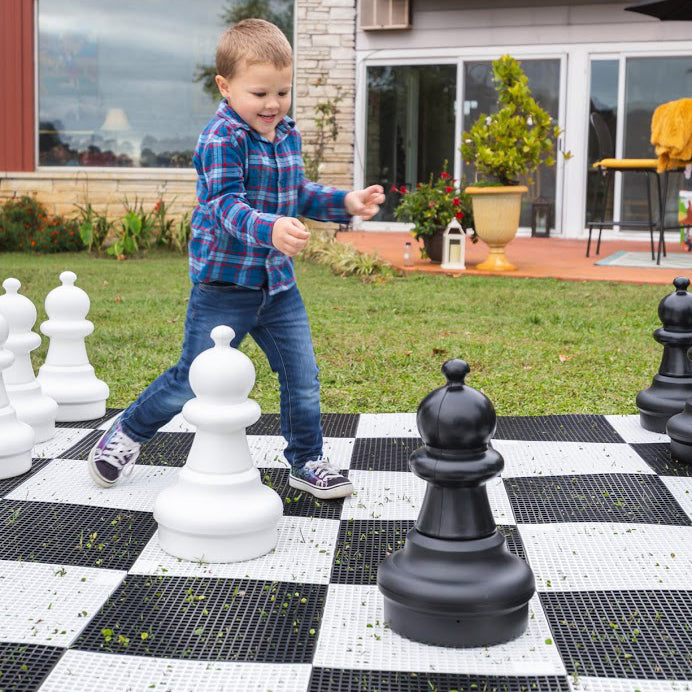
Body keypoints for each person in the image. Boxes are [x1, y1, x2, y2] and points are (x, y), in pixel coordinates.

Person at [87, 18, 384, 500]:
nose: (273, 105)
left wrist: (345, 203)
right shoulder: (220, 138)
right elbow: (226, 204)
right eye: (260, 93)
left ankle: (306, 460)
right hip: (224, 286)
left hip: (278, 287)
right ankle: (127, 433)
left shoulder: (285, 133)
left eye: (283, 93)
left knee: (302, 378)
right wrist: (270, 228)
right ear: (226, 88)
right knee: (192, 379)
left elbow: (298, 192)